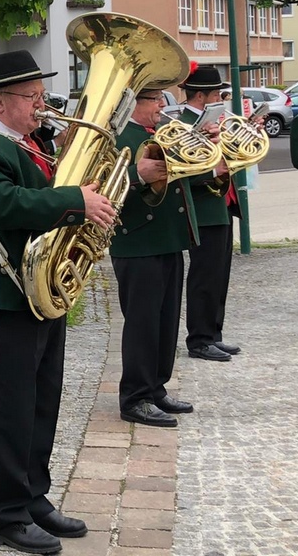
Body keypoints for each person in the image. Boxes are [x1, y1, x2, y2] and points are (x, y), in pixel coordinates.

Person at [0, 50, 114, 555]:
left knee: (42, 401)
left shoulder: (28, 142)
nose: (41, 106)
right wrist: (74, 203)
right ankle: (5, 511)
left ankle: (33, 496)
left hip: (38, 293)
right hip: (1, 300)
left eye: (41, 96)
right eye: (32, 98)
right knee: (9, 409)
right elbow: (3, 204)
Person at [110, 88, 198, 427]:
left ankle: (155, 386)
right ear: (135, 104)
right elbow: (104, 185)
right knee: (143, 325)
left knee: (165, 321)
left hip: (167, 239)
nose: (163, 105)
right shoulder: (121, 139)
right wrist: (136, 174)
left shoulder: (158, 134)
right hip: (137, 242)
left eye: (161, 99)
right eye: (154, 100)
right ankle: (135, 396)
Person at [178, 65, 239, 362]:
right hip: (201, 209)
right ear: (200, 95)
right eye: (216, 94)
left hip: (221, 206)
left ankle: (214, 333)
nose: (220, 98)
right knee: (204, 276)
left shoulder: (210, 121)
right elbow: (183, 170)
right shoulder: (183, 123)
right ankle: (199, 339)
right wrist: (212, 171)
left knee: (219, 275)